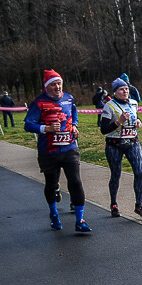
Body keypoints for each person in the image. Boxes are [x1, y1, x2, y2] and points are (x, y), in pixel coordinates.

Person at [24, 69, 91, 232]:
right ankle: (53, 213)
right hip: (49, 152)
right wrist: (45, 128)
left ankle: (80, 220)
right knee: (52, 184)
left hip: (69, 148)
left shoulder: (69, 98)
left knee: (75, 182)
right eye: (53, 84)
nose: (57, 87)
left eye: (59, 83)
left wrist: (74, 125)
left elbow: (74, 113)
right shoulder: (38, 103)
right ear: (47, 87)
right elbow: (28, 124)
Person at [99, 77, 142, 217]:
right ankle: (114, 204)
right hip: (115, 145)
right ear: (115, 92)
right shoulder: (109, 106)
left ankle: (139, 205)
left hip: (132, 142)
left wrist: (138, 122)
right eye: (121, 89)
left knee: (139, 172)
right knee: (116, 174)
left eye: (126, 88)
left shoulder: (133, 103)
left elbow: (135, 117)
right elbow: (104, 130)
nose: (125, 91)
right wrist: (119, 122)